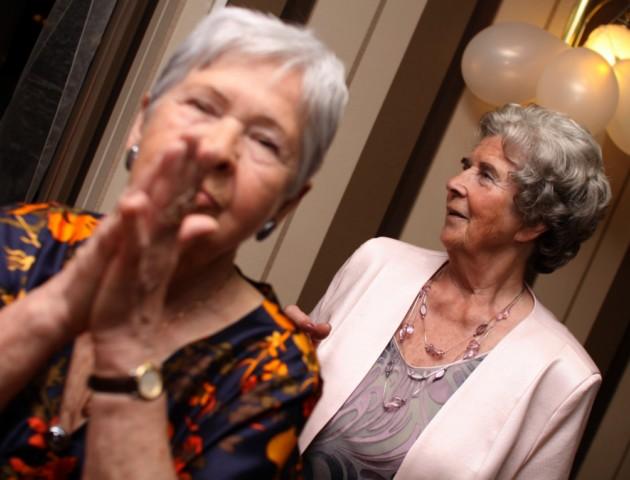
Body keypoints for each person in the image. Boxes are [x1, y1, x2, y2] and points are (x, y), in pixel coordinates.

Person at [0, 7, 347, 479]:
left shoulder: (274, 371)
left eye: (266, 142)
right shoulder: (23, 241)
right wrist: (58, 306)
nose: (216, 150)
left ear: (286, 203)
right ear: (141, 123)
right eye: (202, 107)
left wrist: (125, 344)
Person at [288, 103, 611, 479]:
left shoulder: (561, 374)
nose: (456, 182)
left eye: (486, 175)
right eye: (466, 166)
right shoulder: (376, 264)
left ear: (533, 222)